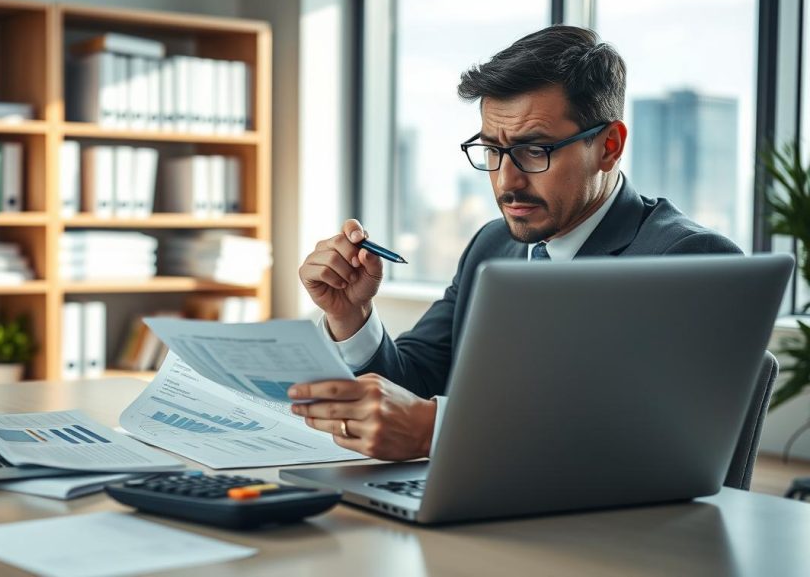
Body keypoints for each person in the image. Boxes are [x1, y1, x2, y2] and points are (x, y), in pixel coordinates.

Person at [290, 25, 742, 461]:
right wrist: (351, 316)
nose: (507, 181)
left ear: (608, 146)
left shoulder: (689, 261)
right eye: (492, 150)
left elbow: (653, 442)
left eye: (535, 150)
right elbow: (411, 387)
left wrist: (439, 430)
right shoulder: (492, 246)